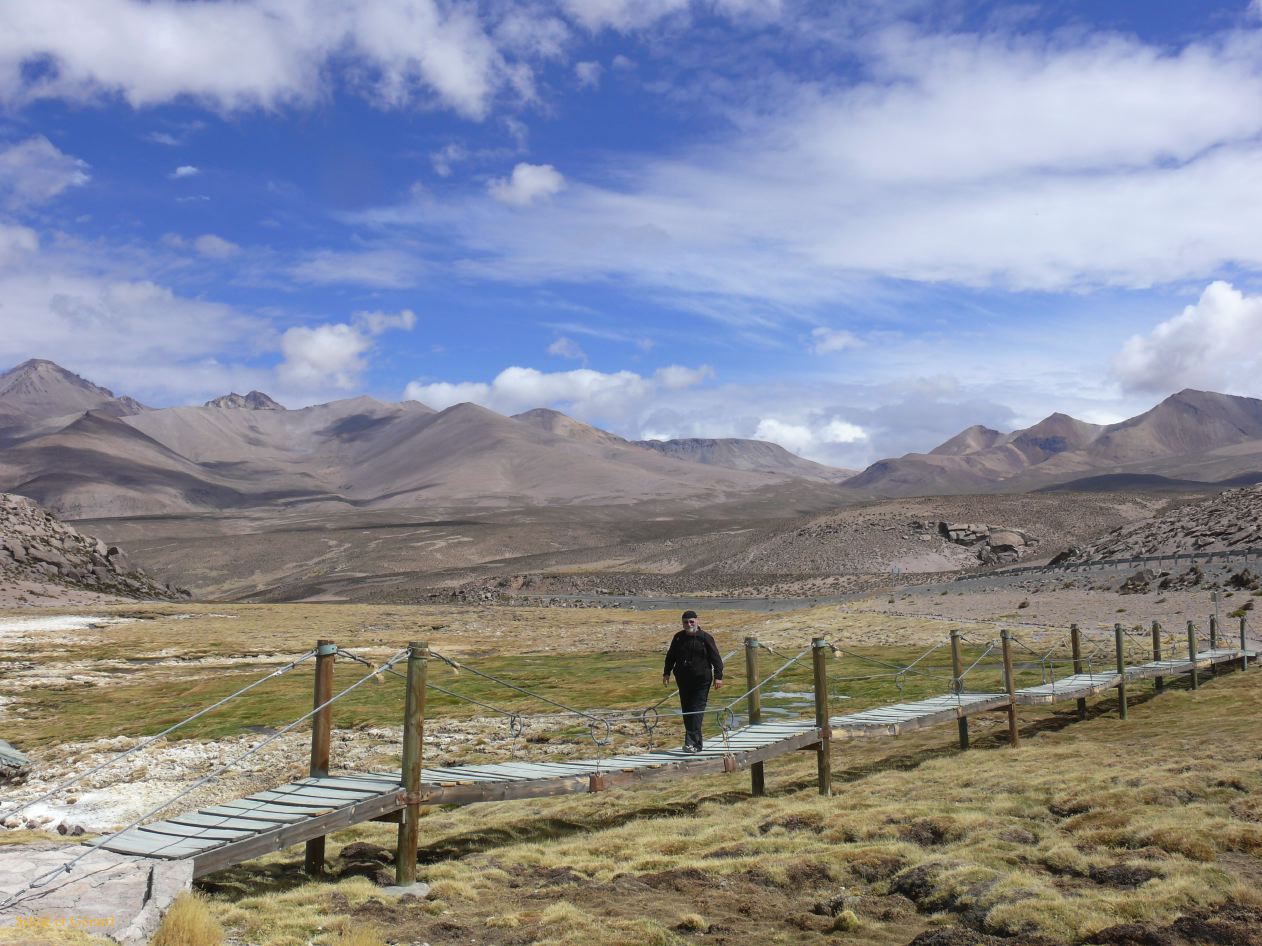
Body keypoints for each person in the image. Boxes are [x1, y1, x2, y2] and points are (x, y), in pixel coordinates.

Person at [662, 610, 723, 752]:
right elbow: (671, 656)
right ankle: (694, 744)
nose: (688, 624)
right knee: (687, 711)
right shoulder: (678, 638)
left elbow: (716, 659)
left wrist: (718, 677)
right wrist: (666, 673)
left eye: (691, 621)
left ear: (697, 621)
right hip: (683, 681)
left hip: (701, 681)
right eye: (685, 622)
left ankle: (693, 744)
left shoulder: (705, 638)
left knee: (696, 711)